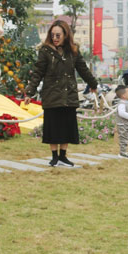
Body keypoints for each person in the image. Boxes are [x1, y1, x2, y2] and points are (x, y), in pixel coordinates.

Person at [24, 20, 97, 168]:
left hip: (68, 94)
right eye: (53, 35)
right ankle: (54, 157)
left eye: (58, 35)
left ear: (65, 35)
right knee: (53, 126)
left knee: (66, 126)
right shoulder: (45, 51)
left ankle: (63, 156)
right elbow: (38, 72)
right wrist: (29, 92)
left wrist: (93, 84)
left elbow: (83, 69)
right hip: (51, 94)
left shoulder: (73, 51)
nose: (55, 38)